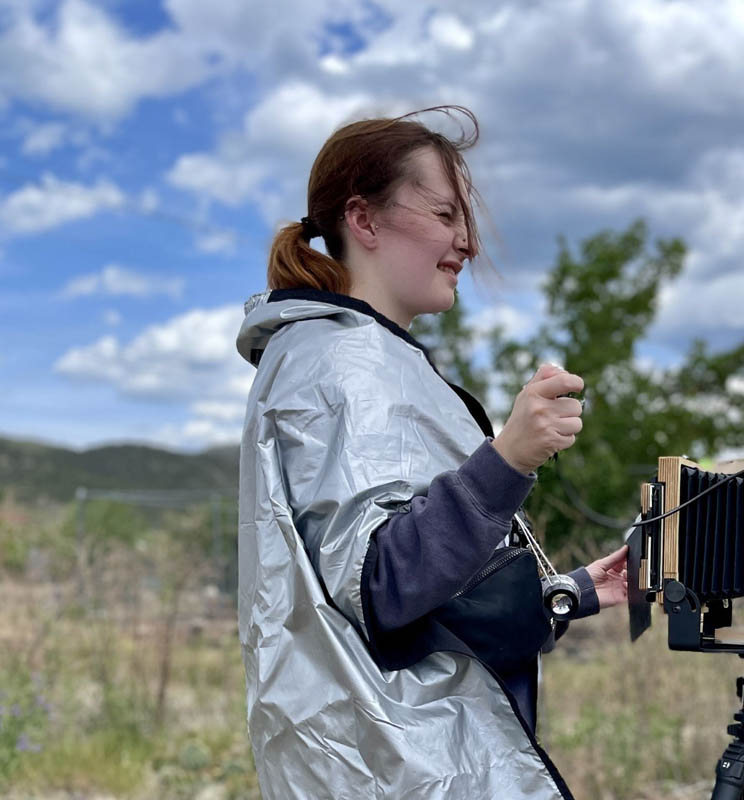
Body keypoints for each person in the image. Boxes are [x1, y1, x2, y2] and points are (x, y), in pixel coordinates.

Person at [235, 106, 628, 800]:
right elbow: (384, 582)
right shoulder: (342, 362)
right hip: (398, 773)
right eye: (445, 214)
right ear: (364, 220)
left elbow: (440, 608)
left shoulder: (365, 357)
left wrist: (575, 593)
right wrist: (506, 461)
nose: (467, 241)